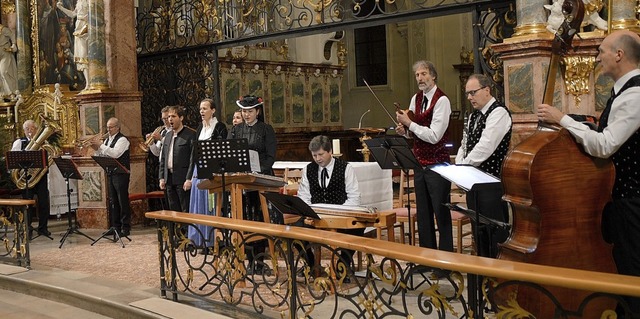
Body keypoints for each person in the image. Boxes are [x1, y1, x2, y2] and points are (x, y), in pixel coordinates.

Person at [537, 30, 640, 317]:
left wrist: (563, 119)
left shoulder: (635, 95)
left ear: (619, 54)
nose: (598, 57)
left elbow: (605, 145)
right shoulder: (624, 91)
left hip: (631, 202)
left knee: (632, 273)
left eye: (602, 51)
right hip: (618, 200)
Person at [395, 60, 453, 255]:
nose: (420, 78)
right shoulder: (416, 99)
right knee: (423, 214)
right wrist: (404, 130)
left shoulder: (442, 100)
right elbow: (415, 134)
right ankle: (427, 257)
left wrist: (410, 125)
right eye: (417, 75)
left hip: (438, 165)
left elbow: (434, 135)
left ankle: (445, 260)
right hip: (419, 163)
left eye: (424, 74)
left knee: (440, 213)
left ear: (433, 75)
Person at [455, 73, 512, 259]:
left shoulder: (499, 113)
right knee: (479, 233)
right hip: (473, 183)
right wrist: (458, 166)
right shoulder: (473, 117)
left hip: (492, 184)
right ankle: (483, 277)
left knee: (493, 232)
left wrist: (462, 167)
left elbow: (485, 147)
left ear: (487, 90)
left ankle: (499, 277)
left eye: (473, 92)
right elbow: (464, 144)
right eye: (467, 94)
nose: (470, 97)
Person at [296, 135, 361, 281]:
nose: (318, 159)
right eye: (314, 155)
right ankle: (312, 265)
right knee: (295, 230)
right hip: (316, 216)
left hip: (340, 214)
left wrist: (338, 214)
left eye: (320, 154)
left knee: (357, 228)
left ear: (330, 151)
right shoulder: (308, 169)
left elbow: (354, 197)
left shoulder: (345, 168)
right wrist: (308, 213)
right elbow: (304, 197)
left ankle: (342, 266)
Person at [227, 95, 277, 274]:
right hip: (241, 181)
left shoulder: (266, 130)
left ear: (258, 111)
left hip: (261, 180)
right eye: (244, 111)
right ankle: (247, 259)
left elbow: (270, 157)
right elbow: (229, 154)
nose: (246, 115)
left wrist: (258, 170)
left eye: (250, 111)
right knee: (244, 217)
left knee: (259, 217)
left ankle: (260, 260)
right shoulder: (235, 130)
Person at [186, 98, 227, 247]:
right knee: (198, 204)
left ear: (213, 110)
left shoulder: (219, 127)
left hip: (212, 170)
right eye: (200, 109)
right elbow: (193, 154)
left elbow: (222, 152)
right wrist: (189, 177)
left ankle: (211, 241)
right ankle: (198, 239)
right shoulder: (199, 128)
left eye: (205, 108)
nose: (201, 111)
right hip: (199, 169)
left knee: (211, 205)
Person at [90, 117, 132, 237]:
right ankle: (115, 227)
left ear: (117, 127)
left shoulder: (123, 140)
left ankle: (125, 227)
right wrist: (97, 149)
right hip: (111, 173)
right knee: (113, 201)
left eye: (111, 127)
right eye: (107, 127)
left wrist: (101, 145)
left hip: (121, 174)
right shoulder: (108, 140)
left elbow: (115, 153)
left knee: (122, 201)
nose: (108, 129)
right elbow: (104, 155)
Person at [11, 120, 51, 238]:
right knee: (27, 203)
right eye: (27, 129)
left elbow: (48, 158)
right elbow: (14, 159)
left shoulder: (44, 143)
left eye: (32, 128)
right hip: (26, 179)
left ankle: (43, 228)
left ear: (36, 130)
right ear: (24, 130)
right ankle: (27, 228)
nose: (30, 131)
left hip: (40, 177)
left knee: (44, 203)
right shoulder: (19, 142)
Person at [159, 105, 196, 213]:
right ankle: (176, 230)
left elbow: (192, 159)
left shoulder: (190, 135)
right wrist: (161, 177)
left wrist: (189, 179)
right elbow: (164, 158)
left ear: (181, 118)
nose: (170, 119)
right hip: (169, 178)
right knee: (173, 209)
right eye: (169, 116)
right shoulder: (168, 135)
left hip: (182, 178)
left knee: (185, 209)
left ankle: (186, 230)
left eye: (173, 116)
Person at [56, 0, 89, 90]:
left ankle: (89, 83)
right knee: (80, 57)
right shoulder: (79, 2)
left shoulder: (89, 1)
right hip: (78, 28)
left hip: (84, 28)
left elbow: (92, 17)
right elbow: (73, 14)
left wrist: (85, 28)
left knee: (84, 55)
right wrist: (61, 8)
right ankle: (88, 83)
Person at [0, 21, 17, 98]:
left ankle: (11, 92)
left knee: (3, 71)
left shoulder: (2, 29)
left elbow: (12, 35)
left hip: (5, 51)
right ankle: (5, 92)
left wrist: (13, 45)